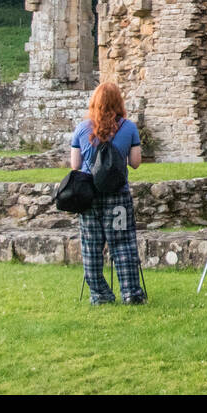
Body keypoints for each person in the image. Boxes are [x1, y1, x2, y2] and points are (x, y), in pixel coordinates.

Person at [70, 81, 146, 305]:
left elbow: (75, 165)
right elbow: (135, 163)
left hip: (89, 197)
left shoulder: (82, 129)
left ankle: (100, 295)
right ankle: (131, 292)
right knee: (123, 243)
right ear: (118, 102)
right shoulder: (129, 128)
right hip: (118, 195)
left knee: (91, 247)